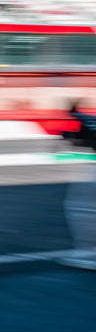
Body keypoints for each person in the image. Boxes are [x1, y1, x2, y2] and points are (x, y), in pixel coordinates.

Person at [58, 102, 96, 271]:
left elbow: (77, 142)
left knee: (79, 207)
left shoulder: (84, 121)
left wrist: (68, 136)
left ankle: (86, 253)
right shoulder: (88, 119)